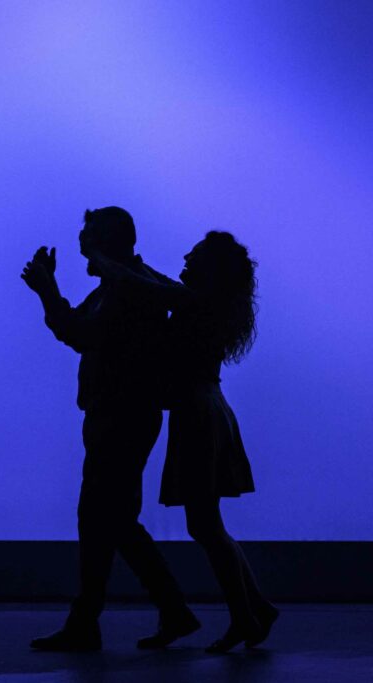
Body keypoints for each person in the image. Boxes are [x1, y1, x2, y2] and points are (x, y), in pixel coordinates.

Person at [87, 230, 279, 653]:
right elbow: (155, 285)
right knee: (209, 525)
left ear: (210, 268)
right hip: (206, 409)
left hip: (197, 415)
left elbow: (147, 286)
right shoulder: (207, 302)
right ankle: (254, 610)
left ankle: (245, 617)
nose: (187, 258)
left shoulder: (197, 303)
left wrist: (105, 259)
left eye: (196, 255)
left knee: (205, 526)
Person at [20, 207, 200, 651]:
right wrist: (51, 290)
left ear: (106, 242)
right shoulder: (125, 285)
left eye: (88, 237)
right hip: (121, 416)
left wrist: (48, 291)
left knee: (105, 518)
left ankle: (107, 620)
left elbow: (79, 334)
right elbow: (78, 329)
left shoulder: (126, 289)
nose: (81, 245)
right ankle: (159, 612)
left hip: (120, 418)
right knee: (111, 519)